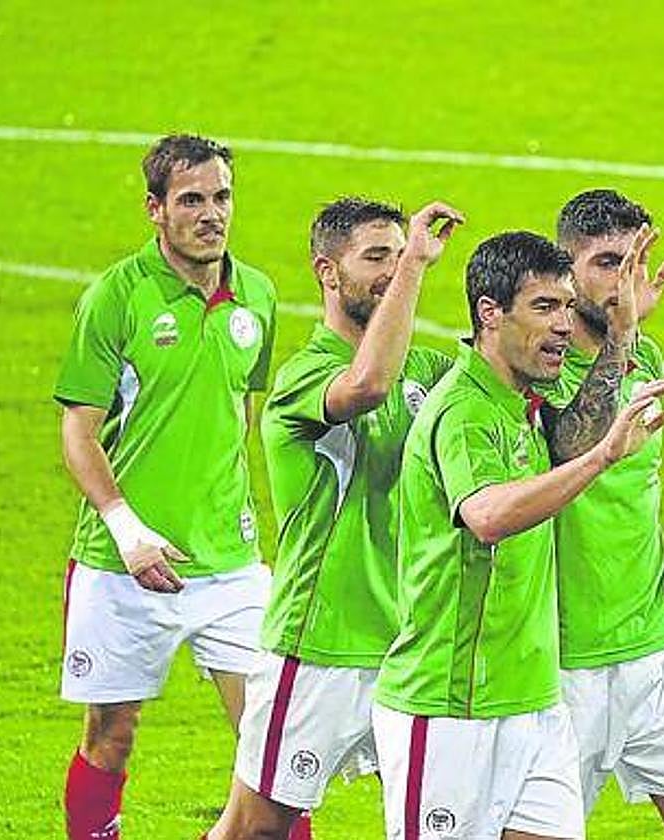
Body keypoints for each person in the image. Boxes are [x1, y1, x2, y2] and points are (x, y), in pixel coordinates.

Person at [369, 229, 664, 840]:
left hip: (534, 702)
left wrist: (620, 336)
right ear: (490, 313)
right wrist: (601, 460)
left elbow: (574, 438)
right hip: (453, 705)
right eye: (544, 307)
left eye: (567, 306)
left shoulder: (524, 403)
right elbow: (487, 515)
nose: (563, 324)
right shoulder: (464, 411)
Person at [204, 198, 463, 840]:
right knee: (256, 827)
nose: (392, 269)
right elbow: (367, 385)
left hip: (412, 646)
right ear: (327, 271)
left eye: (399, 254)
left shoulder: (428, 372)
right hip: (320, 647)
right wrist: (415, 268)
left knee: (455, 821)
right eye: (377, 257)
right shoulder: (304, 377)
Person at [55, 134, 276, 840]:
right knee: (111, 738)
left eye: (222, 197)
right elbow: (78, 431)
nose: (212, 214)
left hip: (230, 563)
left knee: (273, 751)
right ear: (155, 208)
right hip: (121, 566)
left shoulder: (257, 295)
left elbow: (240, 414)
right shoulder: (116, 298)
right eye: (191, 200)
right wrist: (126, 527)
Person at [547, 189, 664, 838]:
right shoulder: (537, 368)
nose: (623, 281)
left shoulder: (643, 357)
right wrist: (623, 333)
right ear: (565, 271)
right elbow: (572, 446)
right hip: (562, 662)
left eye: (634, 263)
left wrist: (627, 338)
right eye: (607, 263)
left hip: (659, 647)